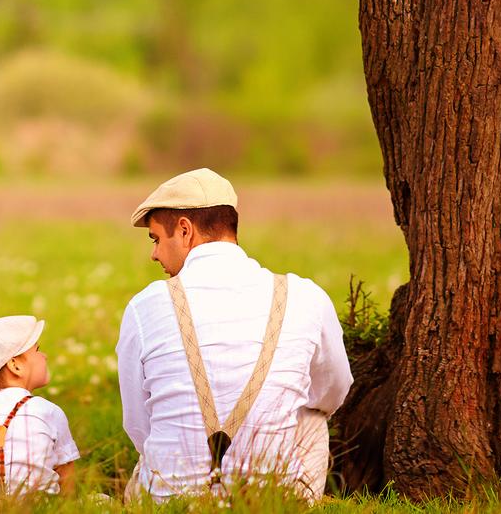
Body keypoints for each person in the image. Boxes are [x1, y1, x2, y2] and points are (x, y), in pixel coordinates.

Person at [116, 168, 351, 501]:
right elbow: (334, 392)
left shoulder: (144, 306)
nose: (154, 254)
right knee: (312, 415)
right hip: (271, 500)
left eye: (156, 239)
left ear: (184, 230)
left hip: (171, 499)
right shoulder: (305, 296)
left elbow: (138, 424)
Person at [0, 315, 79, 496]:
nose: (45, 355)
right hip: (40, 505)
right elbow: (66, 475)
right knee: (101, 500)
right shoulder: (48, 411)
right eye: (37, 350)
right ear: (15, 366)